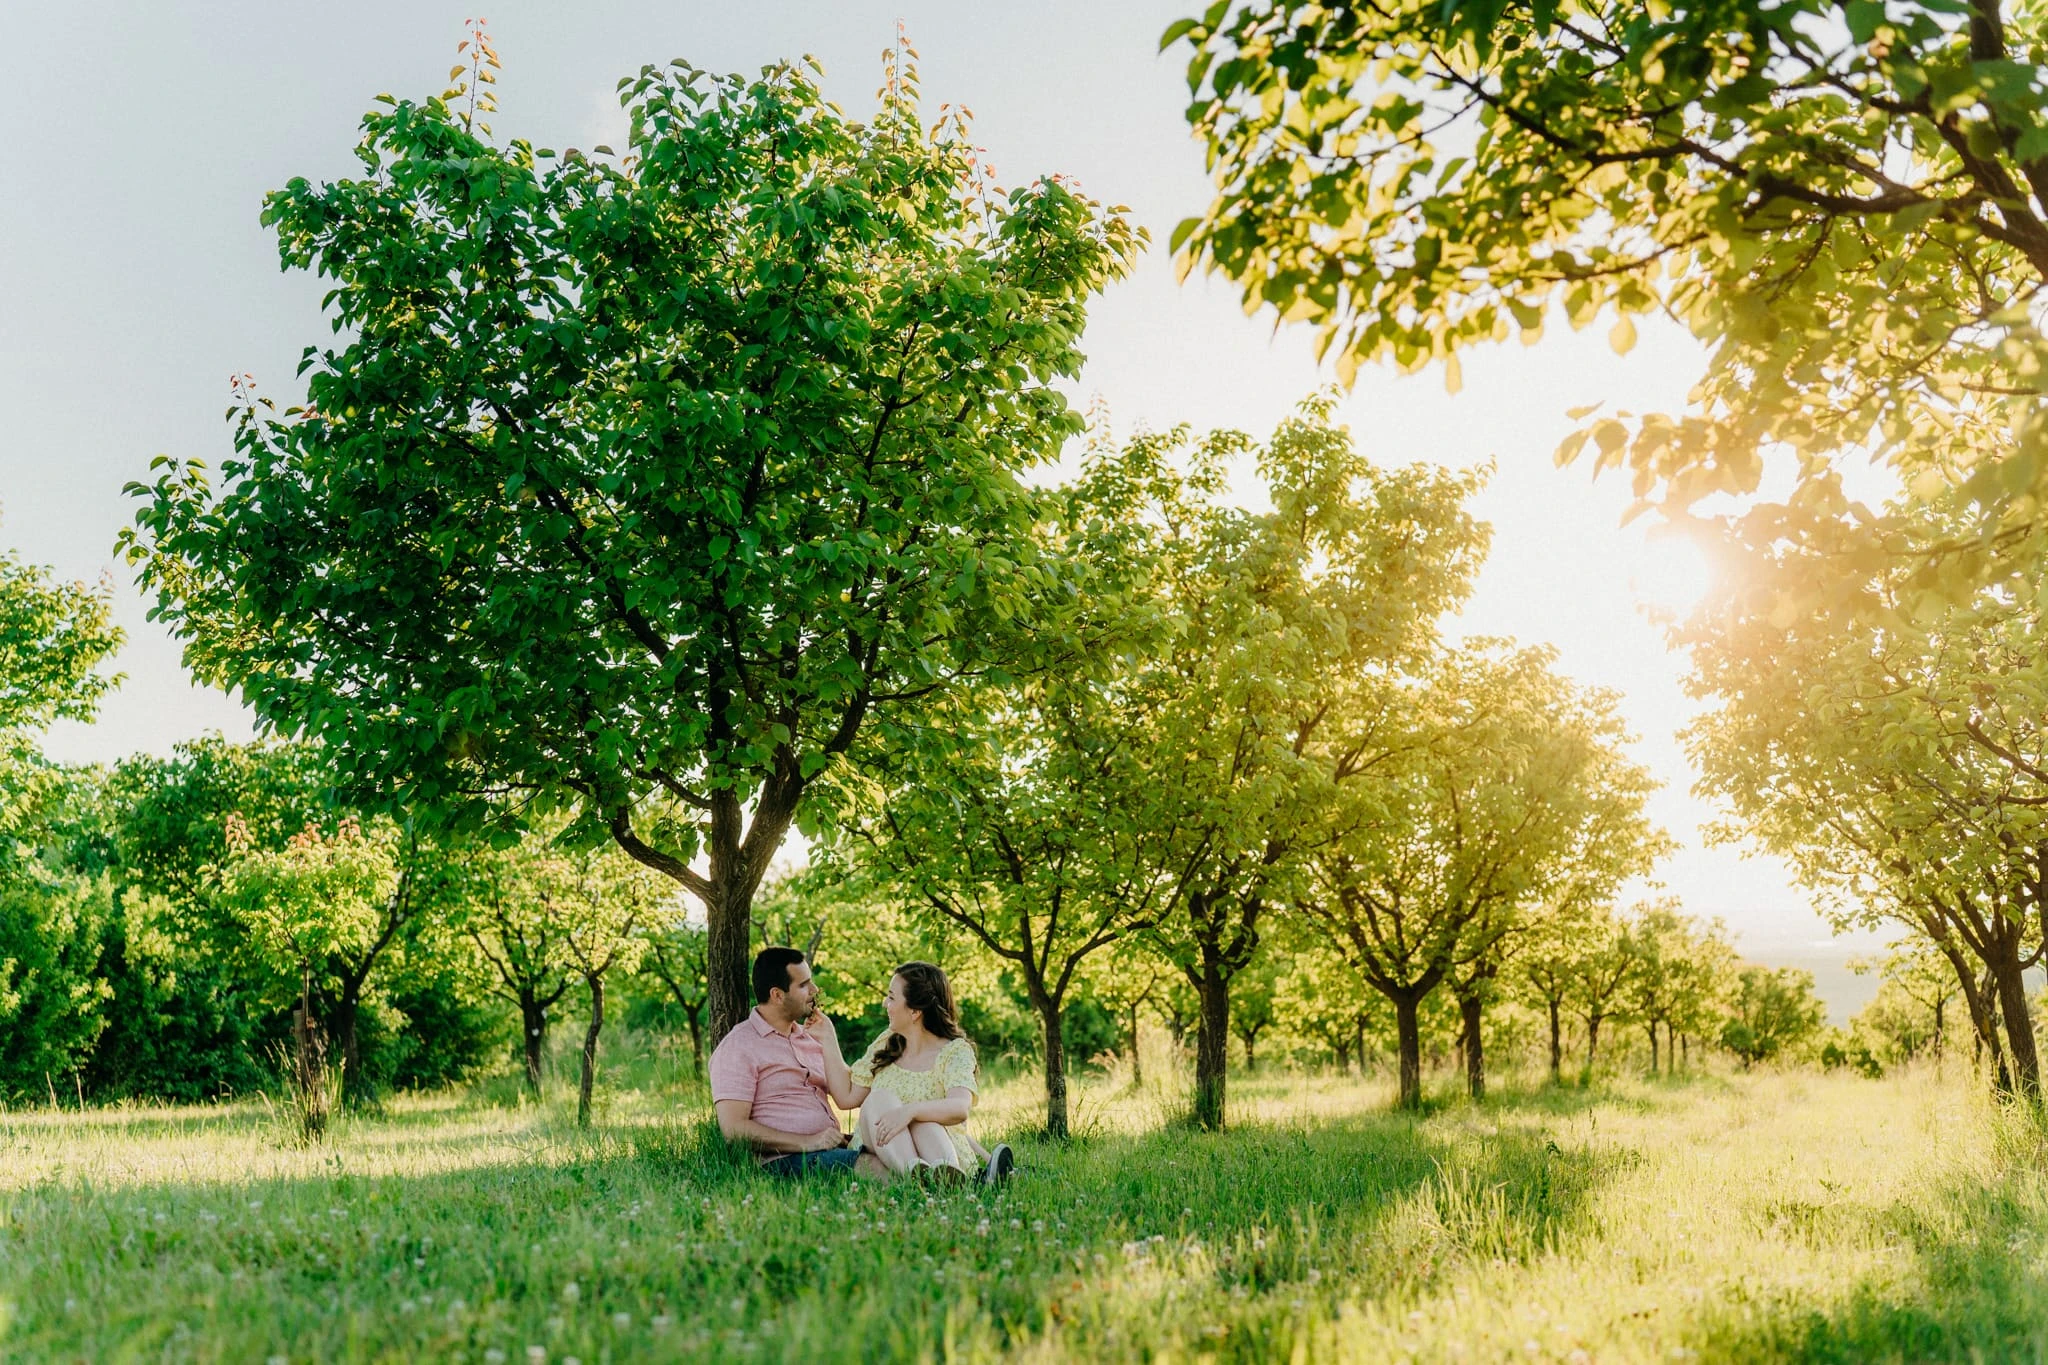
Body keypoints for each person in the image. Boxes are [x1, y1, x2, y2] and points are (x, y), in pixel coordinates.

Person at [809, 961, 1014, 1186]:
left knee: (924, 1120)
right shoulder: (887, 1042)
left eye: (892, 997)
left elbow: (960, 1108)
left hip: (936, 1150)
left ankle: (941, 1179)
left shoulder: (955, 1052)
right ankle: (915, 1172)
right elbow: (846, 1097)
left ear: (915, 1011)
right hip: (885, 1146)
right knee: (880, 1099)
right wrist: (828, 1037)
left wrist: (910, 1111)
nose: (885, 1003)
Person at [709, 947, 875, 1177]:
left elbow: (848, 1093)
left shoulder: (809, 1037)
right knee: (876, 1168)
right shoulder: (738, 1046)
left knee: (893, 1153)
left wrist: (829, 1039)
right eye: (804, 985)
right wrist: (808, 1142)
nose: (815, 990)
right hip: (784, 1161)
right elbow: (734, 1129)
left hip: (828, 1149)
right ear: (777, 995)